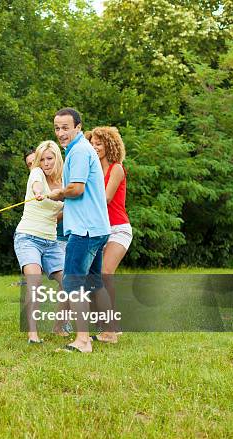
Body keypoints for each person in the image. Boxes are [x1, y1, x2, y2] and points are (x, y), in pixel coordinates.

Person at [48, 108, 112, 353]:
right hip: (96, 228)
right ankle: (109, 332)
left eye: (65, 128)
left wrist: (57, 193)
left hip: (85, 231)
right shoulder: (79, 150)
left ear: (78, 127)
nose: (61, 133)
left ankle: (83, 340)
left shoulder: (78, 151)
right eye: (57, 128)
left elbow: (76, 189)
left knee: (73, 283)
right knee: (95, 283)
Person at [14, 141, 65, 343]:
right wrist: (37, 193)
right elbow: (36, 186)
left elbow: (57, 215)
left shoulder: (64, 181)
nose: (45, 163)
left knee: (68, 282)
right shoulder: (36, 174)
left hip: (51, 241)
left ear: (57, 159)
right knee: (34, 282)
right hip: (27, 237)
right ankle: (33, 334)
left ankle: (59, 326)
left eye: (49, 158)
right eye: (42, 159)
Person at [90, 126, 131, 343]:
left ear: (109, 145)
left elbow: (105, 199)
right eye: (92, 144)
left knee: (105, 272)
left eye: (99, 143)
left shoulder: (116, 169)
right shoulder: (92, 170)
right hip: (100, 230)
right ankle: (112, 324)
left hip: (118, 228)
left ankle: (109, 331)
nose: (95, 147)